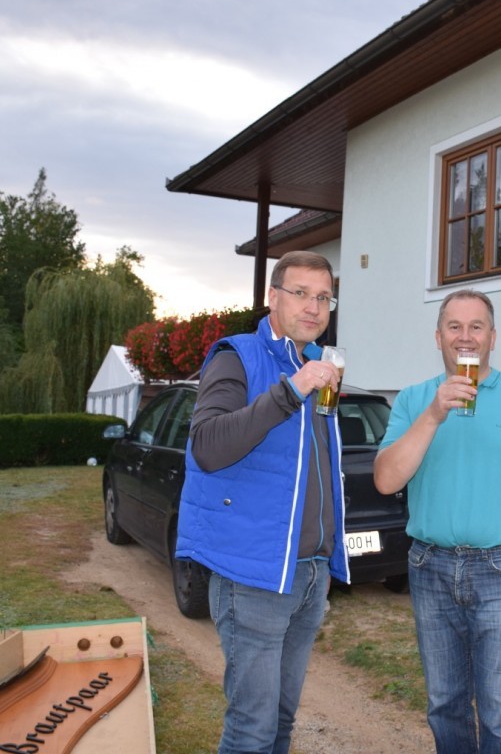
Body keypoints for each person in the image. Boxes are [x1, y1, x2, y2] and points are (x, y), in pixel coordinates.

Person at [373, 289, 501, 754]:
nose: (465, 337)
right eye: (454, 327)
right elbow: (385, 480)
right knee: (445, 705)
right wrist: (433, 414)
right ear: (437, 336)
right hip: (430, 567)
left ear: (492, 337)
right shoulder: (413, 400)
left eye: (476, 327)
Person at [176, 251, 348, 754]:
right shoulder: (236, 357)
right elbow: (208, 446)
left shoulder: (314, 365)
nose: (314, 307)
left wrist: (328, 555)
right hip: (253, 577)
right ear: (273, 297)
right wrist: (291, 391)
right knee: (251, 729)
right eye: (301, 293)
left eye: (324, 297)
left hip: (309, 573)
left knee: (281, 721)